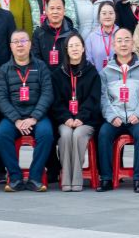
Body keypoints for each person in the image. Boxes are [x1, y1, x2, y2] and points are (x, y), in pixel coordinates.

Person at [0, 30, 54, 192]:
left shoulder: (41, 66)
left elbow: (47, 93)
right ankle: (15, 178)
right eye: (16, 42)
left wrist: (34, 117)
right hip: (14, 117)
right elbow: (2, 98)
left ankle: (35, 177)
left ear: (30, 45)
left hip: (37, 116)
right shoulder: (4, 69)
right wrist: (16, 120)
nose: (19, 45)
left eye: (23, 41)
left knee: (46, 134)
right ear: (11, 46)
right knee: (1, 134)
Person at [96, 28, 139, 193]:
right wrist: (112, 116)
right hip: (116, 117)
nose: (123, 44)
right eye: (119, 41)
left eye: (127, 40)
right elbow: (103, 99)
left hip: (136, 117)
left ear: (133, 44)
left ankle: (138, 179)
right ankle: (106, 178)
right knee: (104, 133)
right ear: (114, 45)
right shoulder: (106, 71)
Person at [49, 33, 102, 192]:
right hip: (64, 120)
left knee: (78, 134)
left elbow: (94, 99)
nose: (74, 49)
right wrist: (66, 118)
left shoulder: (92, 72)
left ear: (83, 48)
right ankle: (66, 178)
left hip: (86, 120)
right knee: (66, 135)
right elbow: (55, 101)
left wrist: (81, 117)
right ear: (66, 50)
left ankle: (77, 179)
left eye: (77, 45)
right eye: (71, 46)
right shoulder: (57, 74)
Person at [32, 0, 75, 68]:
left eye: (58, 8)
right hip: (45, 74)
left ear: (64, 10)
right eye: (52, 8)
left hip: (67, 74)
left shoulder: (73, 34)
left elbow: (75, 59)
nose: (55, 12)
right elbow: (36, 59)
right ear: (46, 11)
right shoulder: (38, 33)